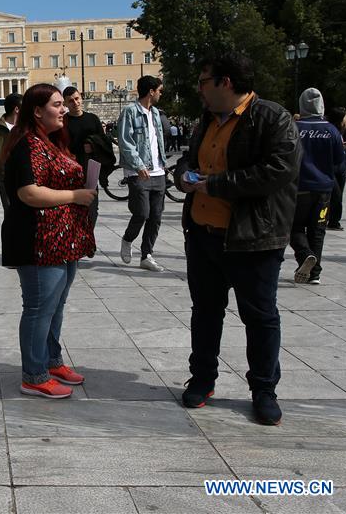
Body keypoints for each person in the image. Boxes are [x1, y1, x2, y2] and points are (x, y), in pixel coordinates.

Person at [178, 52, 300, 426]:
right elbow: (189, 159)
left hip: (253, 239)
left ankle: (263, 389)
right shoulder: (206, 120)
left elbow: (276, 171)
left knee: (260, 317)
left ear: (225, 82)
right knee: (206, 310)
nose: (199, 89)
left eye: (204, 81)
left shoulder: (271, 118)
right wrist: (184, 174)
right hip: (203, 235)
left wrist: (214, 185)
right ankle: (202, 378)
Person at [1, 83, 96, 399]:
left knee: (56, 306)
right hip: (38, 240)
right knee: (39, 307)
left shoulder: (53, 142)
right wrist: (75, 195)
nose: (64, 109)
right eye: (57, 104)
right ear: (37, 111)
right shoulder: (27, 145)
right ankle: (33, 374)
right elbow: (28, 192)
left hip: (63, 239)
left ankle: (51, 360)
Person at [290, 88, 346, 284]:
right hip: (323, 189)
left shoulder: (294, 128)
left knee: (293, 226)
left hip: (298, 188)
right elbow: (340, 161)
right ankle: (315, 274)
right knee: (318, 230)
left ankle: (305, 255)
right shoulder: (332, 130)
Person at [116, 76, 167, 272]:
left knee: (156, 216)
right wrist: (138, 165)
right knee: (142, 213)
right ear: (151, 91)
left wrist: (162, 164)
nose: (161, 94)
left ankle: (147, 255)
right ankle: (128, 239)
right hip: (138, 172)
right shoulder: (130, 111)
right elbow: (125, 141)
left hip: (158, 171)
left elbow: (158, 141)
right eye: (159, 90)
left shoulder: (155, 113)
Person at [62, 86, 106, 228]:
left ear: (81, 98)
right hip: (70, 173)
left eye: (76, 99)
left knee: (92, 210)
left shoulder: (93, 119)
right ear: (65, 104)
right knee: (72, 211)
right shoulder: (62, 122)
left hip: (90, 172)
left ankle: (87, 239)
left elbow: (104, 143)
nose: (75, 103)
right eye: (70, 101)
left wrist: (93, 146)